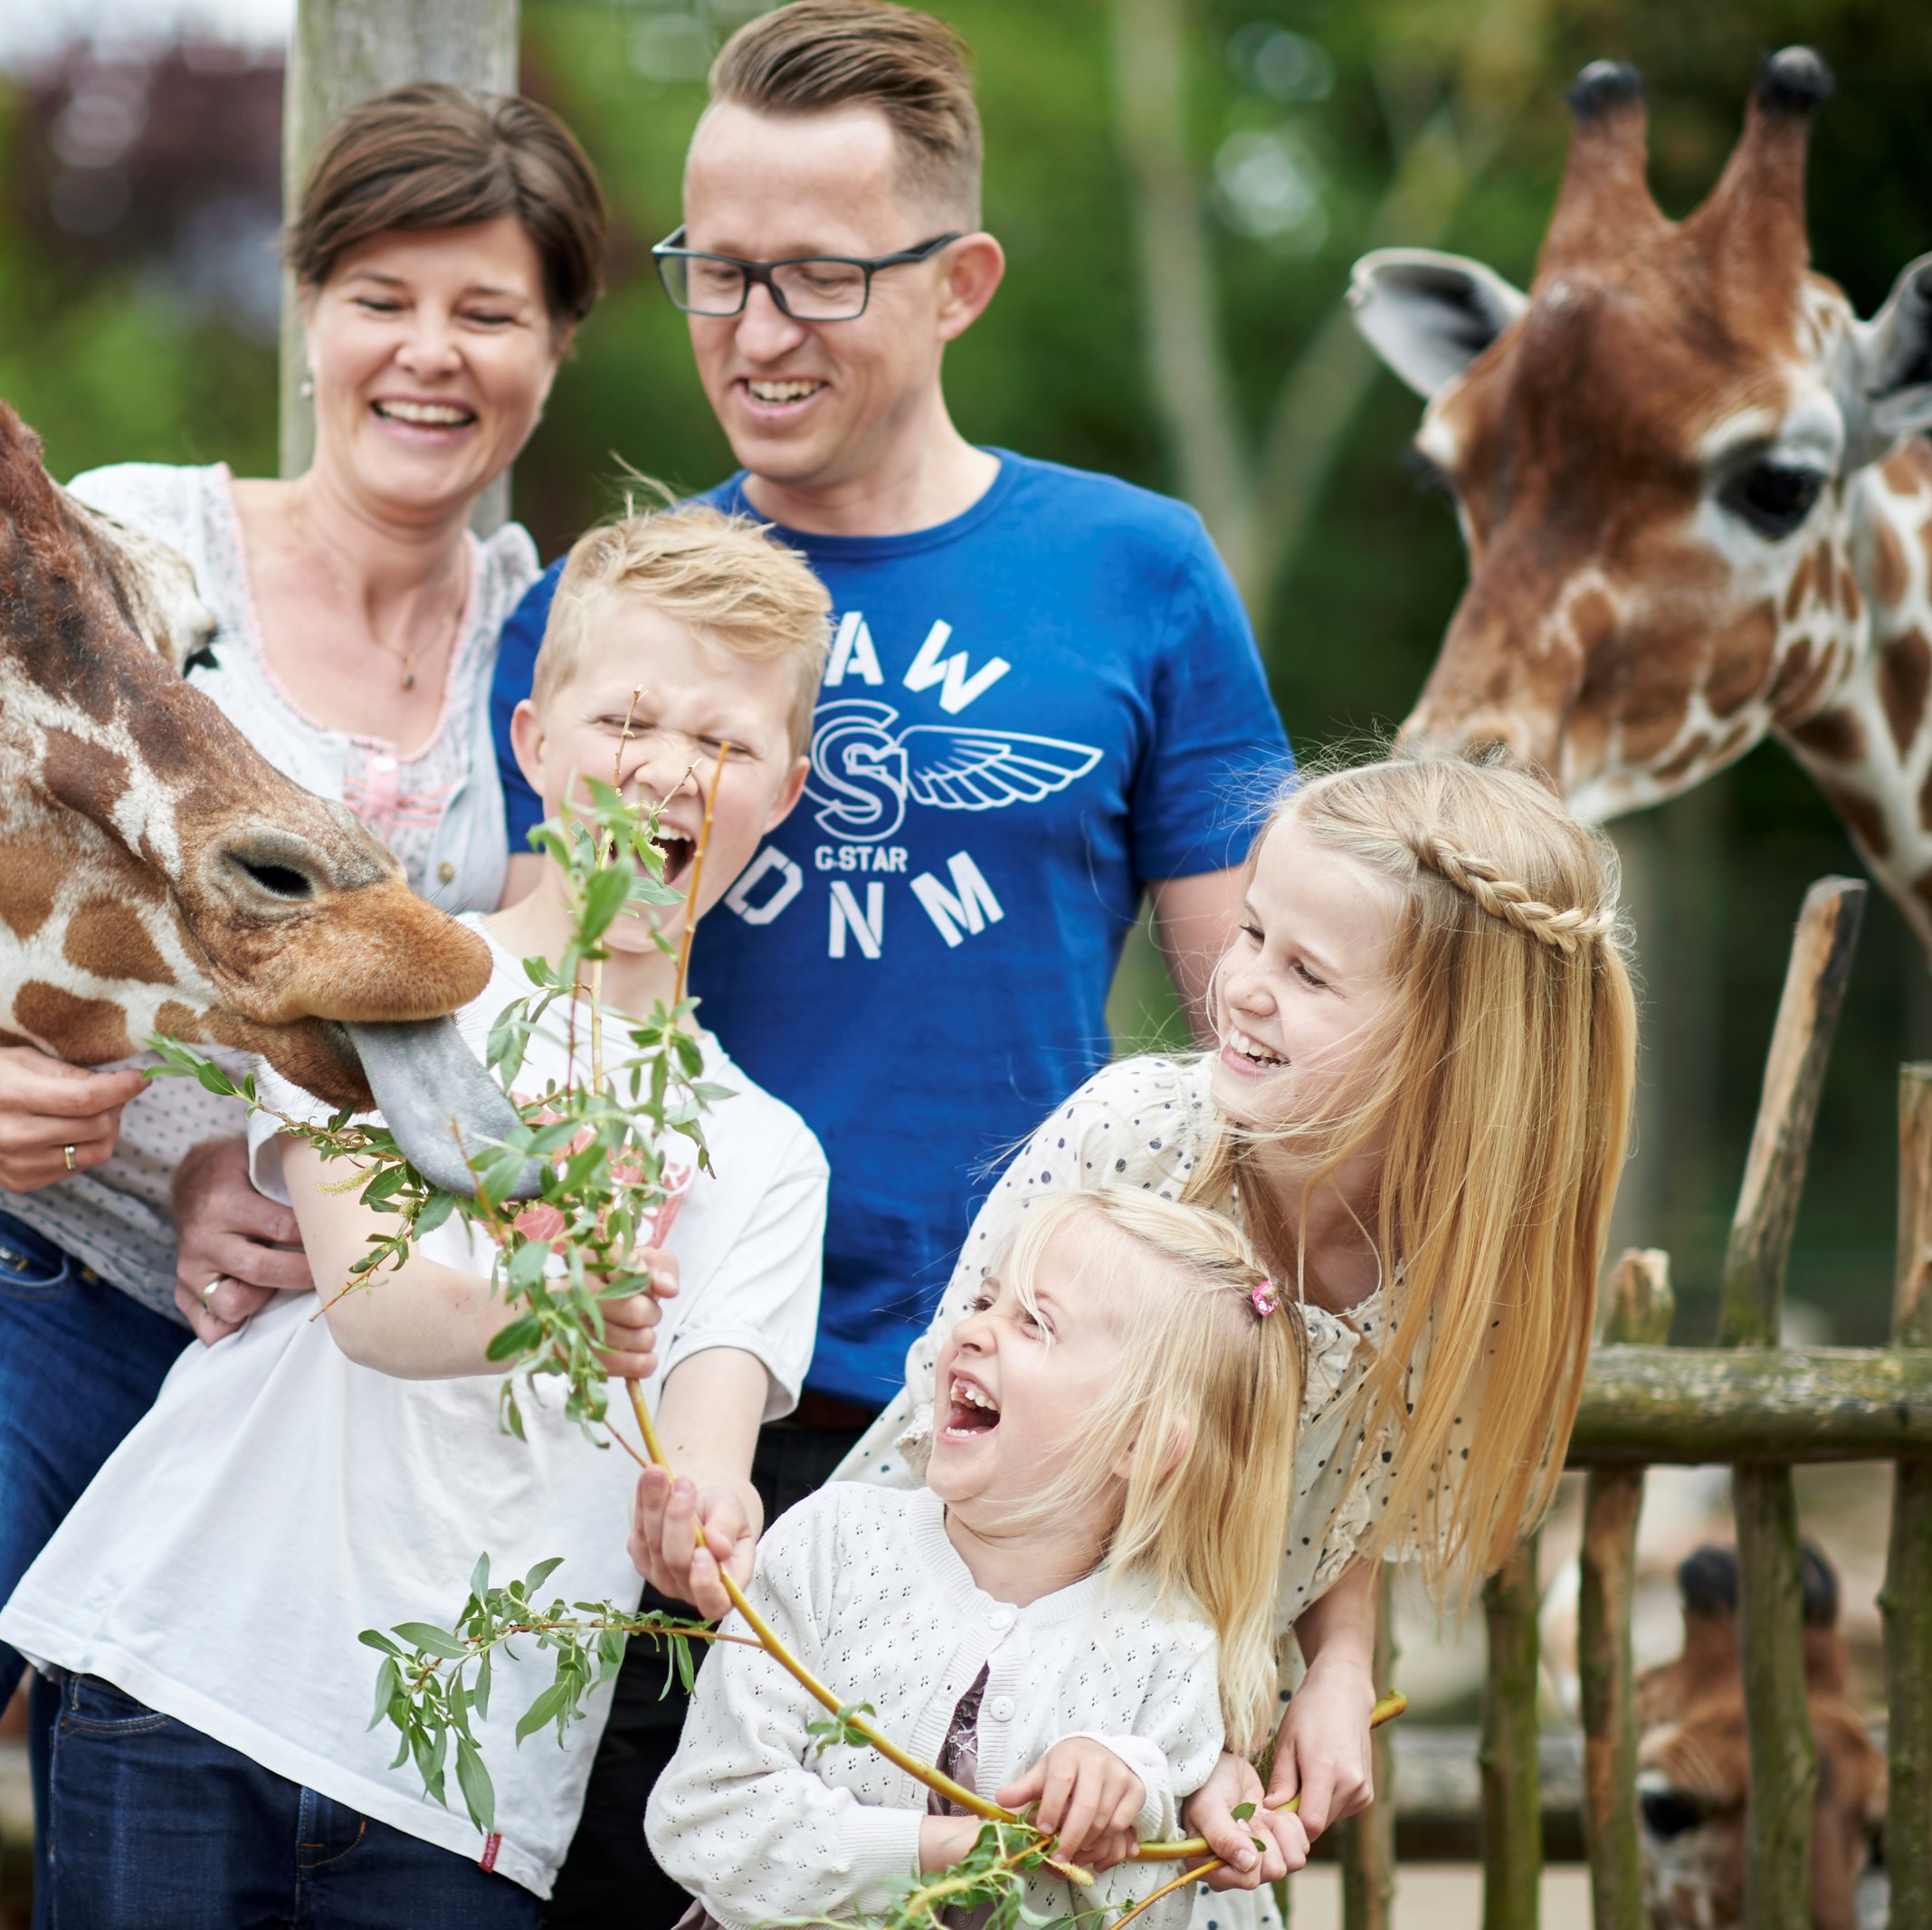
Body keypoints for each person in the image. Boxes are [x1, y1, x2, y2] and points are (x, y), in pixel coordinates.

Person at [0, 85, 607, 1929]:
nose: (429, 353)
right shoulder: (118, 542)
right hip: (11, 1287)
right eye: (380, 295)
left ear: (558, 347)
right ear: (306, 306)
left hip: (314, 1402)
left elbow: (580, 983)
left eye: (489, 310)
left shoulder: (563, 647)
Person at [495, 7, 1294, 1910]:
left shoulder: (1136, 571)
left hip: (1018, 1439)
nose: (751, 330)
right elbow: (521, 1013)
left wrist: (1299, 1615)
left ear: (959, 283)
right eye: (710, 270)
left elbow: (1268, 1080)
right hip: (667, 1425)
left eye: (818, 276)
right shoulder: (606, 616)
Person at [0, 505, 836, 1925]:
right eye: (626, 715)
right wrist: (562, 1304)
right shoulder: (387, 982)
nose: (668, 766)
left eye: (726, 741)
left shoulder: (764, 1156)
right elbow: (377, 1308)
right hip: (191, 1665)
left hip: (463, 1786)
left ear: (786, 790)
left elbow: (706, 1439)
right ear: (534, 743)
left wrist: (699, 1525)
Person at [832, 752, 1637, 1920]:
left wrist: (1340, 1664)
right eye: (1254, 933)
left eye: (1308, 971)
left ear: (1455, 1046)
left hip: (1163, 1802)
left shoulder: (1470, 1285)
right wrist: (1159, 1740)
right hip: (925, 1749)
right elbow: (946, 1453)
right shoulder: (1133, 1144)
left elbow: (1355, 1491)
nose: (1244, 985)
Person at [649, 1188, 1306, 1929]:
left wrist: (1128, 1788)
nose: (974, 1329)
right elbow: (707, 1819)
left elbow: (1143, 1899)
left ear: (1140, 1443)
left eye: (1035, 1321)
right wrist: (955, 1845)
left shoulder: (1168, 1649)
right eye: (987, 1299)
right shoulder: (829, 1545)